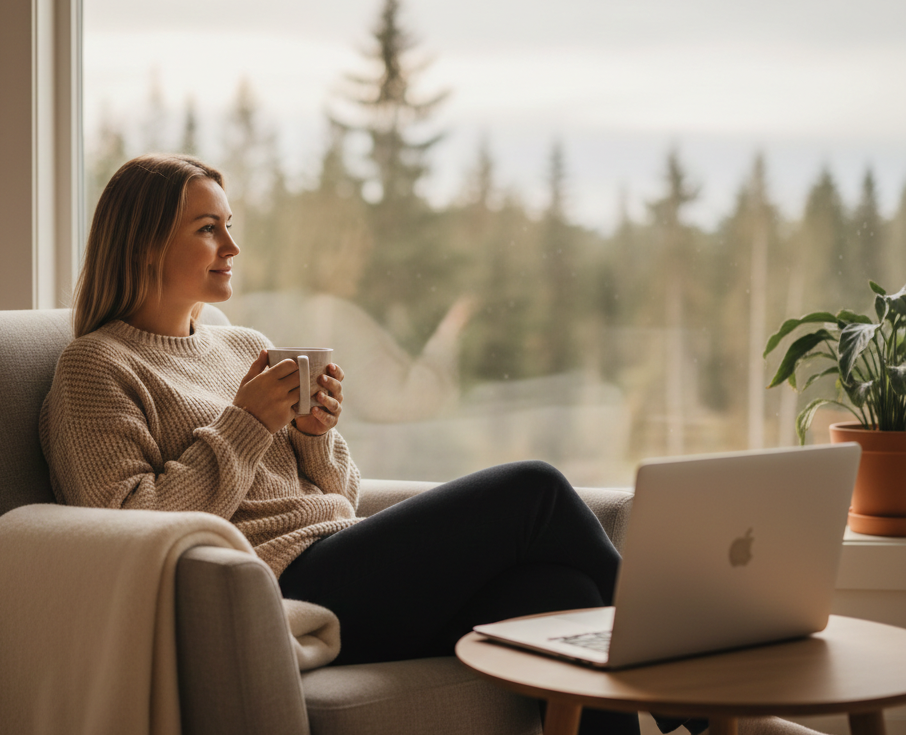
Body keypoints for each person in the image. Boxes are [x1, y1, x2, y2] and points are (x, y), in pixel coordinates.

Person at [39, 153, 663, 735]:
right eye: (208, 229)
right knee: (533, 490)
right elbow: (127, 528)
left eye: (229, 226)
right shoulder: (97, 366)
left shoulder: (239, 345)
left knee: (559, 595)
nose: (232, 247)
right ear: (146, 244)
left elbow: (341, 495)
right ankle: (684, 693)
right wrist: (248, 425)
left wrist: (314, 438)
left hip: (343, 562)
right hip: (274, 590)